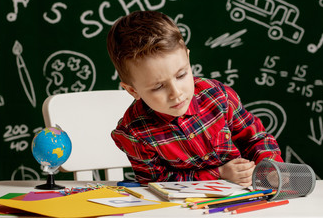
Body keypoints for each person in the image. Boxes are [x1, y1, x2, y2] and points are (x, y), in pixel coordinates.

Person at [107, 10, 283, 187]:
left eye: (181, 75)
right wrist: (219, 174)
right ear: (132, 90)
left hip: (244, 194)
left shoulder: (218, 96)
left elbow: (256, 139)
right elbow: (155, 182)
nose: (176, 93)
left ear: (188, 59)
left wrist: (271, 169)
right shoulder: (134, 134)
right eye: (158, 87)